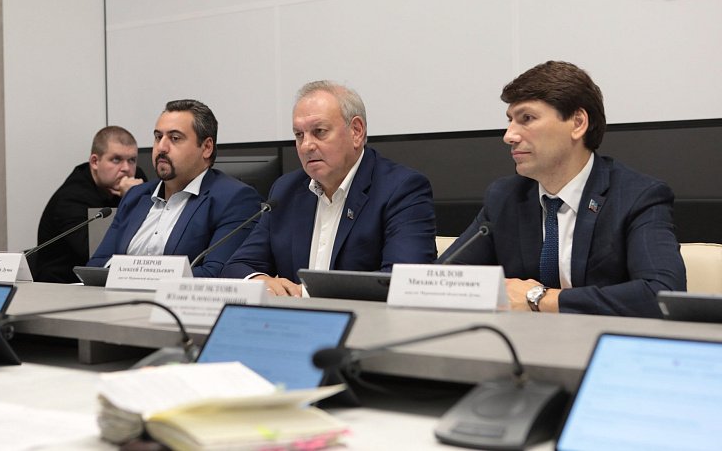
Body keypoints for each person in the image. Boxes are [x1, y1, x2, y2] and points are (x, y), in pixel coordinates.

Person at [438, 61, 685, 317]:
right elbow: (442, 281)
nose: (509, 135)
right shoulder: (505, 197)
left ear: (577, 123)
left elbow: (662, 294)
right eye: (510, 120)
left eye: (527, 118)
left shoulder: (637, 197)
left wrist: (540, 298)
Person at [221, 80, 437, 295]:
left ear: (356, 131)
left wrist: (304, 294)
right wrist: (258, 281)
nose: (306, 146)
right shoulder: (286, 191)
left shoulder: (401, 189)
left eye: (319, 131)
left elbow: (404, 284)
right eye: (299, 135)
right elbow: (237, 266)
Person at [87, 99, 262, 277]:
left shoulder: (235, 199)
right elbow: (97, 264)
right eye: (158, 137)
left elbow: (217, 273)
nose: (161, 147)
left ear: (207, 147)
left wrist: (135, 275)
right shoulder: (136, 196)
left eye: (175, 138)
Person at [34, 126, 146, 283]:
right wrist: (131, 200)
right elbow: (99, 255)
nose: (126, 169)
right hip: (64, 285)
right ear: (95, 162)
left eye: (132, 160)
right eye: (116, 159)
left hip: (110, 280)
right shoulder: (71, 199)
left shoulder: (135, 179)